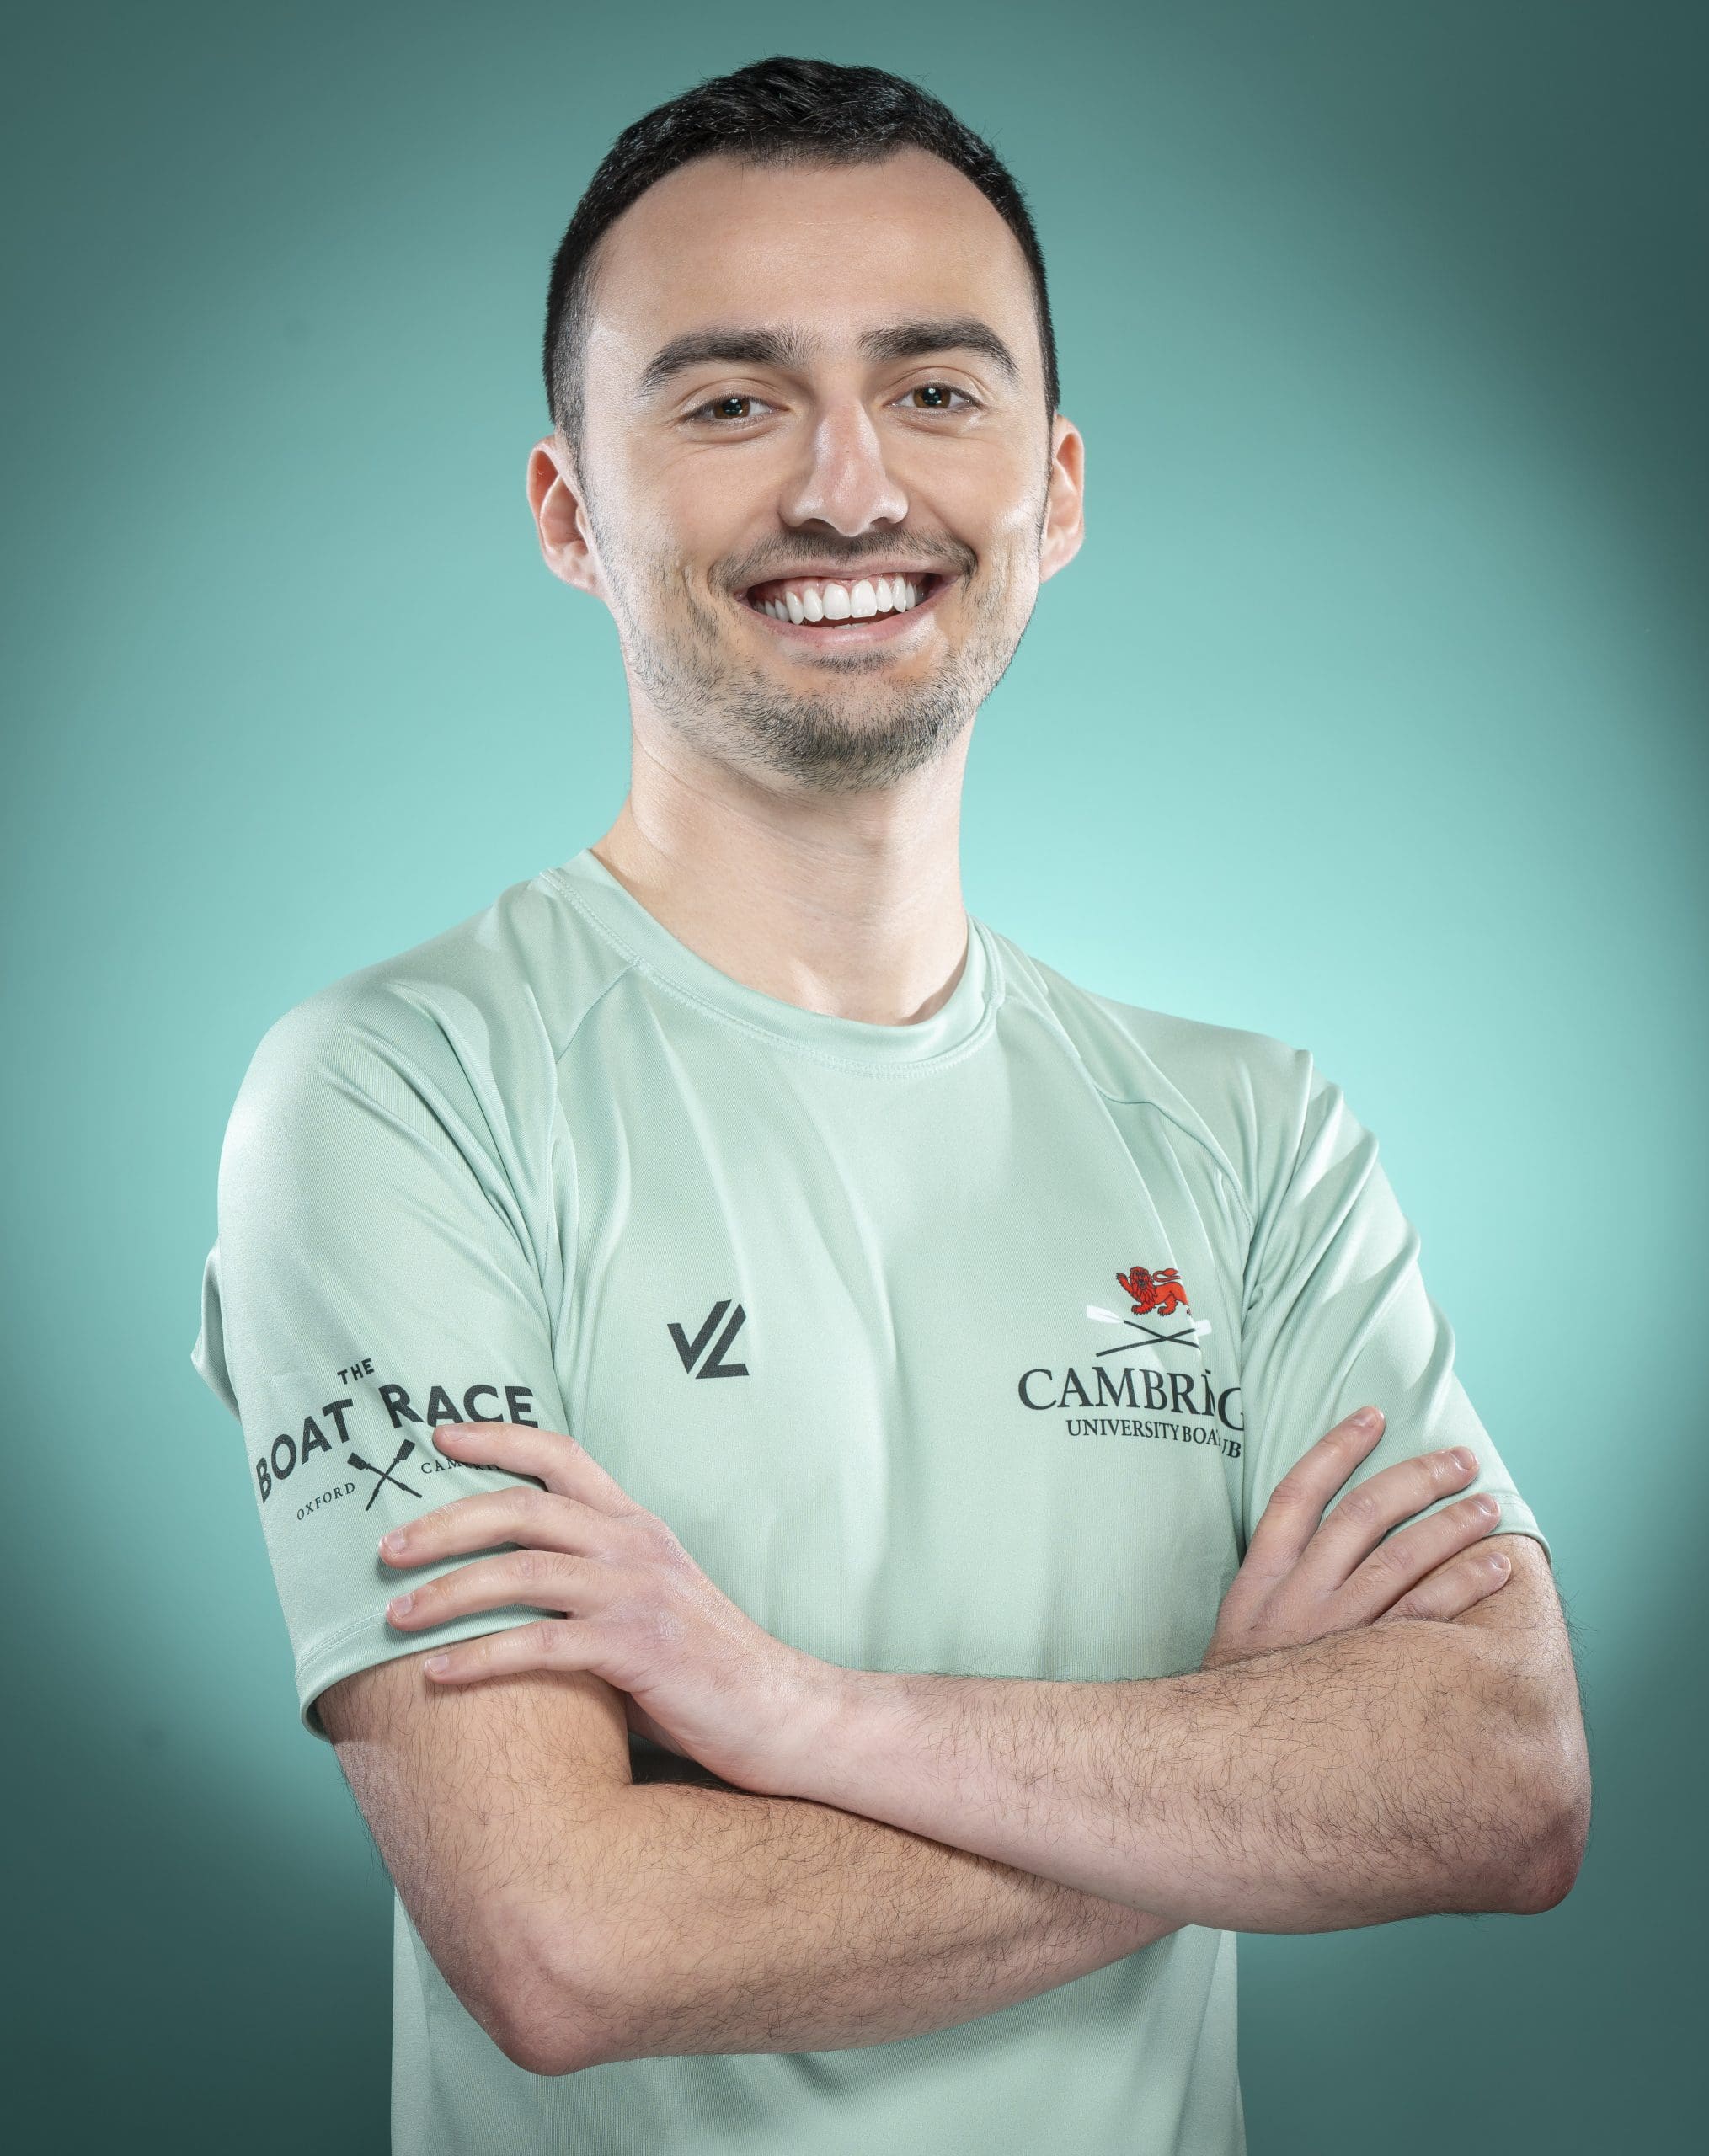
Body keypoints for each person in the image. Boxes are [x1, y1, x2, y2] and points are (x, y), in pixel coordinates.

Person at [190, 54, 1589, 2156]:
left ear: (1058, 486)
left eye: (935, 390)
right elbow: (566, 1938)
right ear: (569, 511)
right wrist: (1235, 1771)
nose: (850, 492)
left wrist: (794, 1713)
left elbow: (1500, 1778)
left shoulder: (1253, 1136)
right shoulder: (404, 1093)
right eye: (729, 402)